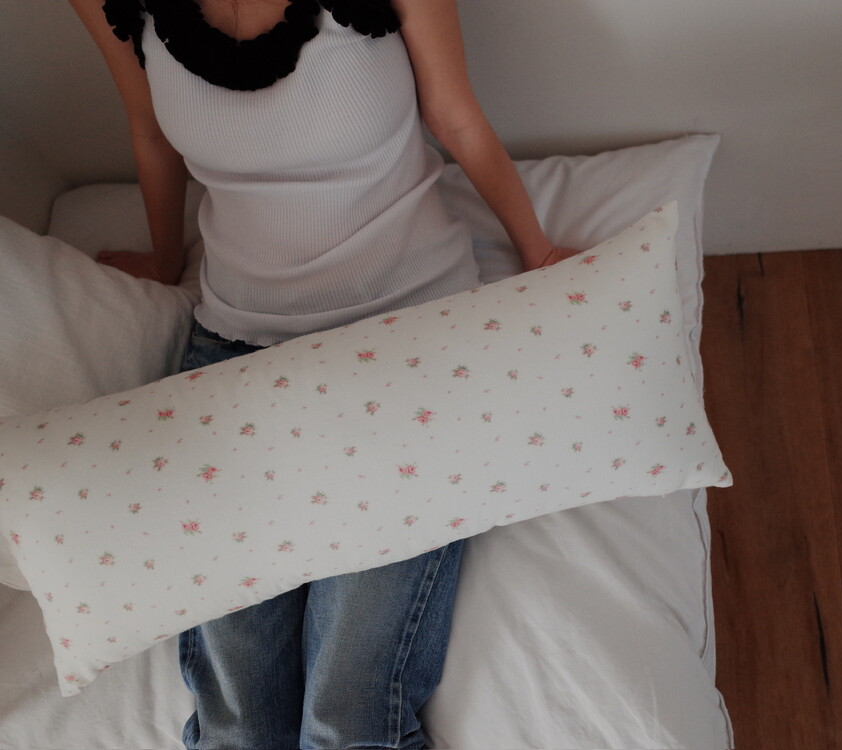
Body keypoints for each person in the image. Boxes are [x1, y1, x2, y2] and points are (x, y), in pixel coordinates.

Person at [70, 1, 575, 747]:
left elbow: (454, 115)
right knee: (239, 724)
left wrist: (539, 252)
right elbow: (151, 135)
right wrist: (167, 264)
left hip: (407, 341)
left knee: (350, 717)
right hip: (238, 350)